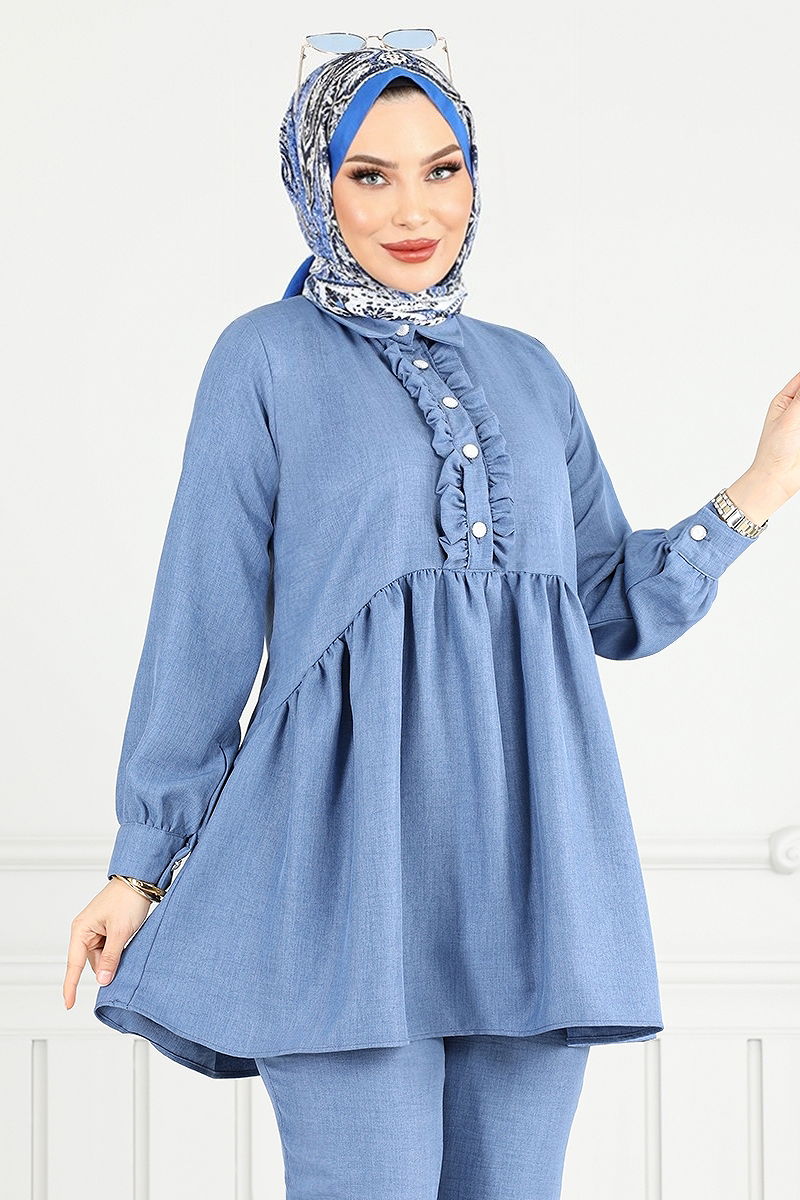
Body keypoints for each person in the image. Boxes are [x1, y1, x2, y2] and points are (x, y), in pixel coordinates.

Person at [63, 36, 800, 1200]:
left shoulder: (529, 373)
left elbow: (607, 606)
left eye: (440, 169)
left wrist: (762, 481)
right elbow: (201, 623)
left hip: (532, 876)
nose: (414, 210)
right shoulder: (263, 360)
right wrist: (141, 865)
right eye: (370, 175)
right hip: (338, 886)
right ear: (318, 188)